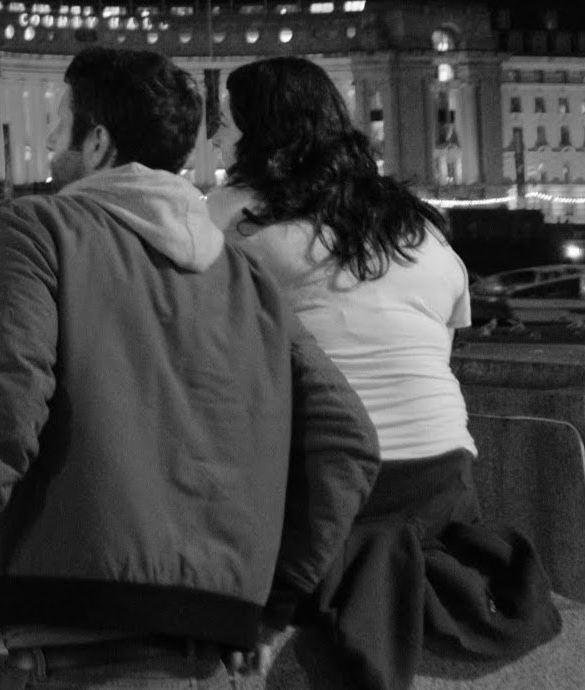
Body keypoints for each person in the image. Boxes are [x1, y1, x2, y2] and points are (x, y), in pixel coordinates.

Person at [0, 45, 379, 689]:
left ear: (97, 142)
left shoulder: (35, 230)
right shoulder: (244, 272)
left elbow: (2, 409)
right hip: (214, 651)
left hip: (75, 636)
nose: (50, 139)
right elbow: (348, 440)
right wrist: (272, 601)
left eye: (59, 121)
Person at [207, 57, 558, 690]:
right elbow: (441, 351)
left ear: (261, 134)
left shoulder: (234, 219)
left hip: (326, 486)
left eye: (228, 124)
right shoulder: (419, 225)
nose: (216, 138)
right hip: (443, 476)